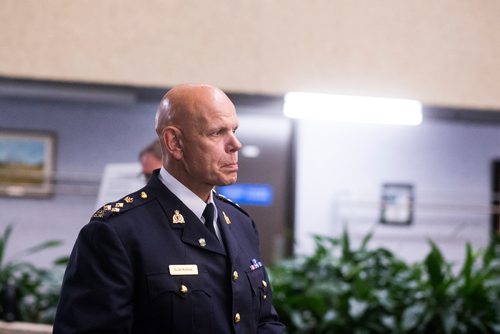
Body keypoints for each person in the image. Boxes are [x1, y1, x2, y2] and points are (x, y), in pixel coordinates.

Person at [53, 83, 286, 333]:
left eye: (234, 130)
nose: (235, 144)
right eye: (217, 132)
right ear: (175, 142)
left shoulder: (240, 223)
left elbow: (263, 322)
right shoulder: (117, 232)